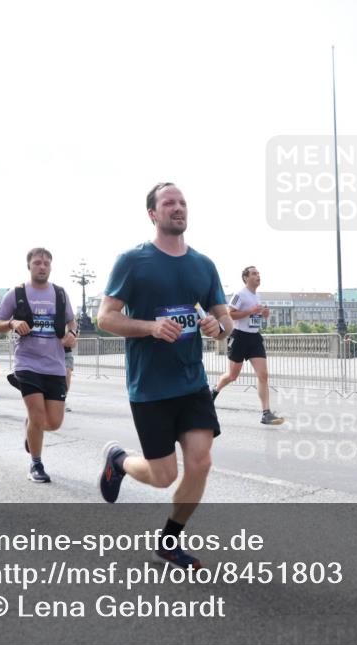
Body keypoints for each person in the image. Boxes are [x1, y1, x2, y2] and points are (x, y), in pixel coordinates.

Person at [97, 182, 232, 569]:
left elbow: (224, 317)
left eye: (183, 202)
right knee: (162, 476)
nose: (178, 208)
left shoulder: (203, 265)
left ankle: (169, 541)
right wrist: (151, 328)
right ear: (153, 214)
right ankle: (119, 461)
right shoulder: (133, 261)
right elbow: (106, 318)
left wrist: (218, 327)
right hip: (150, 386)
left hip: (191, 382)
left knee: (201, 463)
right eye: (169, 203)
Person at [0, 248, 77, 483]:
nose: (42, 267)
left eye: (46, 263)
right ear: (29, 265)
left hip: (55, 365)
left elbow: (72, 321)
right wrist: (12, 322)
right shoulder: (17, 293)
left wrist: (73, 333)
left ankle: (31, 428)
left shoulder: (60, 293)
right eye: (38, 263)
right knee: (38, 416)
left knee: (54, 422)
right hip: (27, 363)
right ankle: (36, 464)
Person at [211, 265, 284, 424]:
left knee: (263, 375)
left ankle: (266, 413)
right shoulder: (240, 294)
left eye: (258, 273)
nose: (258, 276)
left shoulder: (258, 295)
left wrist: (264, 313)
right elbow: (231, 314)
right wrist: (251, 310)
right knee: (232, 375)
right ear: (246, 278)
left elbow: (259, 317)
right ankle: (214, 391)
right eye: (254, 274)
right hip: (240, 337)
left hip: (254, 338)